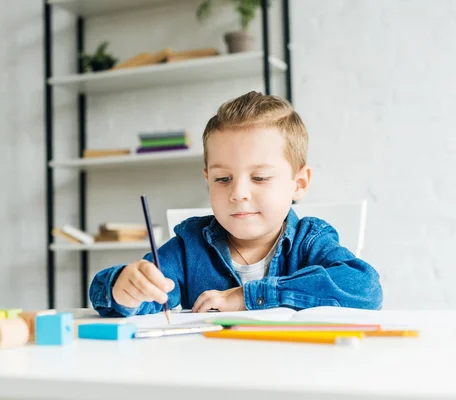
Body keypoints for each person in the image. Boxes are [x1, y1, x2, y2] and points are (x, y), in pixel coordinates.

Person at [89, 91, 383, 317]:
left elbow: (365, 289)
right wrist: (123, 289)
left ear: (299, 183)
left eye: (260, 177)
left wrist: (247, 297)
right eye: (222, 179)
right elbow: (135, 301)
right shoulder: (189, 246)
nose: (238, 193)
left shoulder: (310, 241)